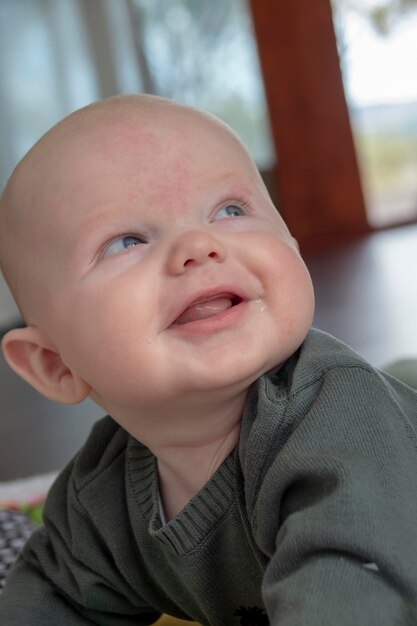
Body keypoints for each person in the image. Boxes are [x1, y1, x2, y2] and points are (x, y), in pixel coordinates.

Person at [0, 94, 416, 626]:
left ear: (291, 243)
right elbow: (50, 596)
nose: (199, 244)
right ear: (53, 363)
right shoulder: (99, 500)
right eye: (126, 241)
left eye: (230, 210)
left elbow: (360, 584)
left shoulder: (341, 418)